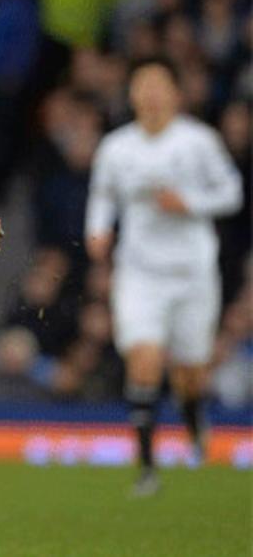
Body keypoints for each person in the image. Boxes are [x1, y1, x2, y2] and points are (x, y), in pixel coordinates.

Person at [85, 57, 242, 497]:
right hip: (139, 273)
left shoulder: (199, 142)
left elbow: (232, 192)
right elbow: (102, 197)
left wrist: (188, 202)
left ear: (176, 92)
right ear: (132, 93)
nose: (151, 93)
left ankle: (194, 418)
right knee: (145, 358)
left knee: (190, 372)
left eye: (159, 84)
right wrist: (97, 233)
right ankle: (148, 468)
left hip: (192, 273)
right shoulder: (117, 148)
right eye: (142, 84)